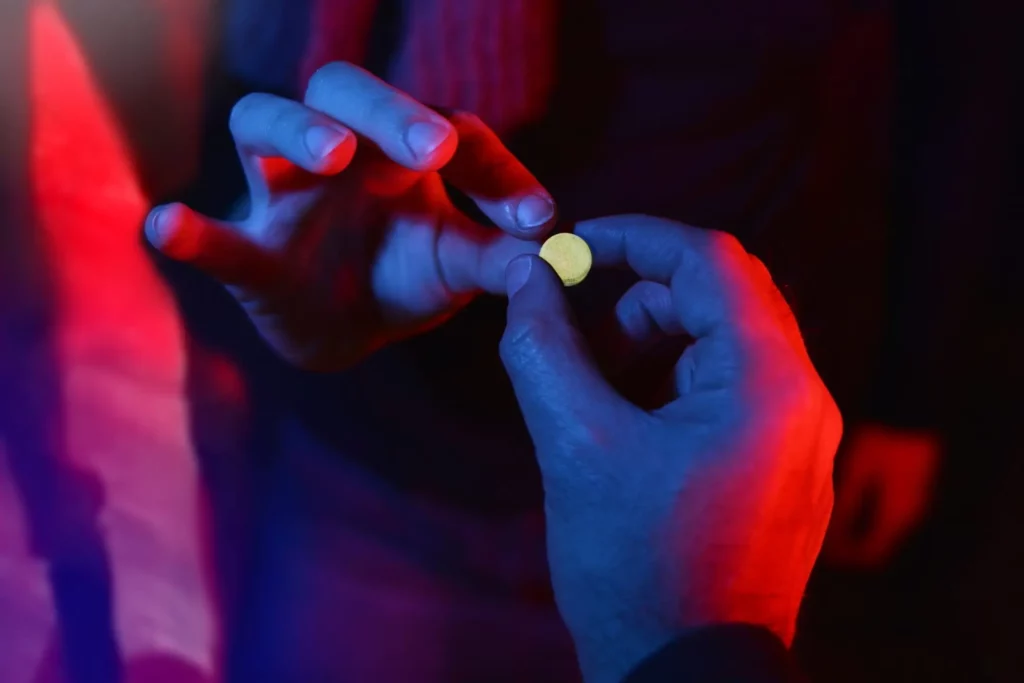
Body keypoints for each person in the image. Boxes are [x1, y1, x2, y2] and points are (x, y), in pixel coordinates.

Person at [146, 62, 842, 682]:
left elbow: (905, 115)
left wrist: (686, 635)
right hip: (364, 471)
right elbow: (212, 111)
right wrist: (255, 256)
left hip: (691, 495)